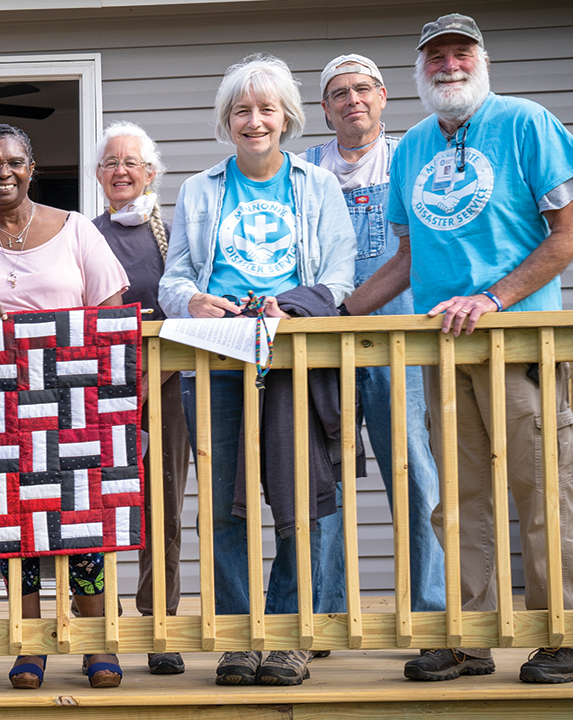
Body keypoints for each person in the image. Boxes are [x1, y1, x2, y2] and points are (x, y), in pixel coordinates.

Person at [345, 13, 573, 684]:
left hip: (521, 339)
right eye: (436, 56)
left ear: (481, 60)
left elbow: (570, 231)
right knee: (460, 497)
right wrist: (335, 311)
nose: (449, 65)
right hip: (443, 349)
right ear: (420, 70)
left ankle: (564, 633)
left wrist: (495, 298)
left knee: (544, 492)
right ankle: (469, 636)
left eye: (460, 53)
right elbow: (406, 258)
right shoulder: (414, 145)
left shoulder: (526, 123)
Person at [158, 54, 356, 687]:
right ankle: (241, 637)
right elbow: (175, 276)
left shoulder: (317, 186)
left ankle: (294, 632)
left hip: (291, 356)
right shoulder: (200, 189)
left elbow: (340, 275)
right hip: (216, 355)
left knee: (302, 500)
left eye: (266, 108)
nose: (254, 120)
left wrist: (290, 303)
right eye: (242, 110)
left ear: (287, 117)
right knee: (221, 506)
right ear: (226, 121)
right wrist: (191, 300)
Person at [0, 123, 131, 690]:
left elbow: (110, 317)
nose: (3, 171)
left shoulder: (76, 232)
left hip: (73, 404)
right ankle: (30, 642)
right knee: (14, 529)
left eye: (14, 161)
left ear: (32, 166)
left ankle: (95, 640)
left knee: (82, 524)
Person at [302, 53, 445, 620]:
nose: (353, 100)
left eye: (364, 89)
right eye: (340, 93)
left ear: (383, 97)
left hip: (399, 343)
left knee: (413, 473)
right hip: (321, 349)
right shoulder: (305, 170)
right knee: (323, 483)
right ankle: (325, 611)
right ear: (324, 108)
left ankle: (431, 611)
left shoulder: (411, 159)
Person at [90, 121, 191, 676]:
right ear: (98, 175)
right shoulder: (83, 233)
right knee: (95, 508)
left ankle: (159, 622)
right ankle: (98, 621)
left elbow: (184, 310)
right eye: (111, 163)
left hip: (166, 387)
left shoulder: (175, 236)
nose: (121, 171)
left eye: (132, 162)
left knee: (162, 507)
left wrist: (152, 376)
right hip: (100, 391)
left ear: (151, 173)